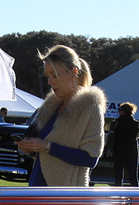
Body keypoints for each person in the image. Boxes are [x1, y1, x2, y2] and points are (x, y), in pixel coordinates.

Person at [17, 44, 105, 187]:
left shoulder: (91, 108)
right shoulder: (50, 108)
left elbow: (90, 159)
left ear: (74, 72)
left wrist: (48, 147)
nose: (50, 81)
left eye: (55, 75)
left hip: (67, 196)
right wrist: (32, 147)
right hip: (37, 190)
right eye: (47, 76)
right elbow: (46, 155)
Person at [111, 102, 139, 187]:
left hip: (119, 151)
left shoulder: (117, 122)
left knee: (118, 177)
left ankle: (118, 195)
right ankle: (136, 196)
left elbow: (113, 135)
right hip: (132, 151)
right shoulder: (135, 123)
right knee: (133, 176)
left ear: (123, 111)